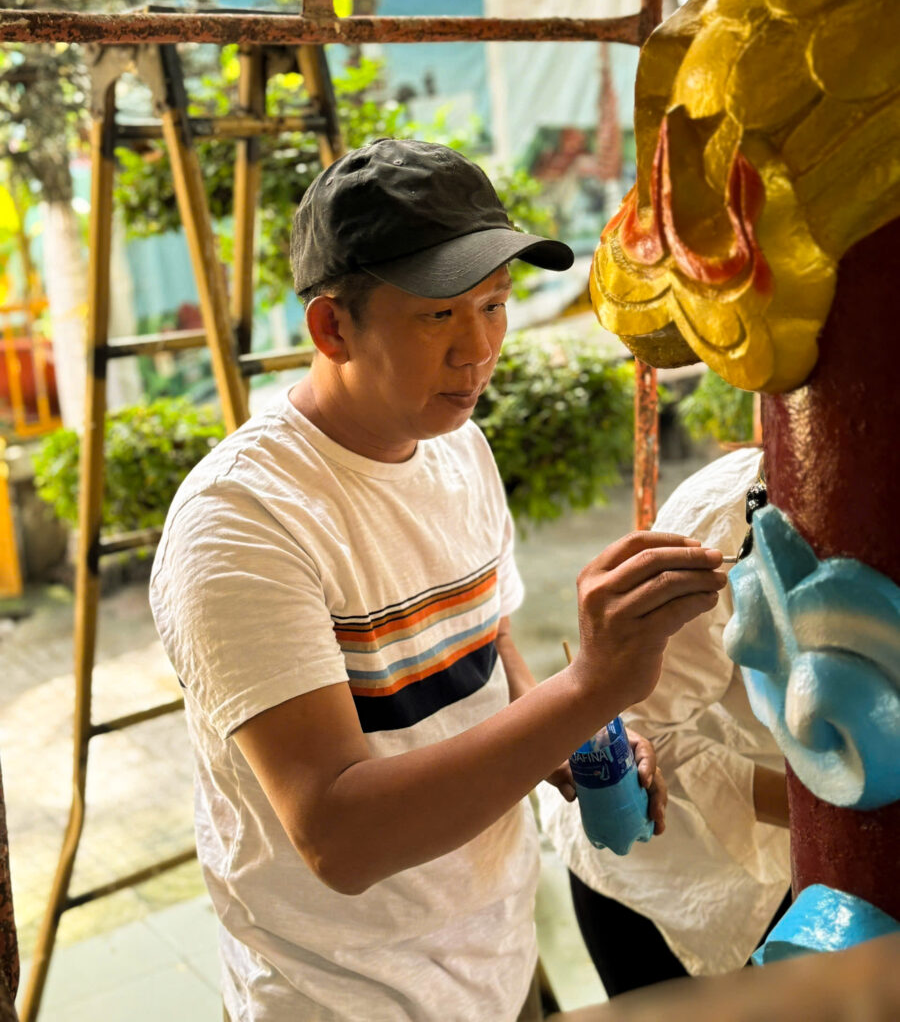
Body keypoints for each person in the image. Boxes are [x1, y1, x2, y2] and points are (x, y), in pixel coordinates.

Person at [150, 138, 728, 1022]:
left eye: (494, 305)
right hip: (341, 998)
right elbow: (340, 835)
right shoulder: (242, 524)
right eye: (437, 316)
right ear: (332, 328)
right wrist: (588, 687)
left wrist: (572, 737)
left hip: (497, 959)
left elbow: (486, 644)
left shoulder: (458, 448)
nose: (479, 348)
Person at [538, 447, 792, 998]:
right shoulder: (724, 530)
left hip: (786, 869)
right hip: (661, 876)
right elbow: (639, 732)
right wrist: (836, 818)